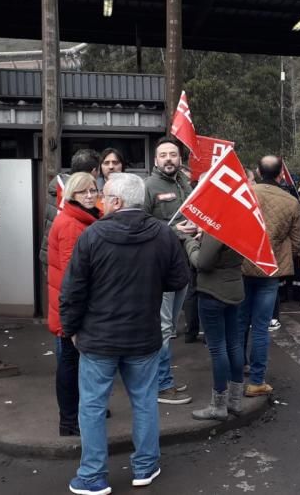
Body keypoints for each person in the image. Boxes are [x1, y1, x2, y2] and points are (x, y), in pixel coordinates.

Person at [60, 173, 190, 495]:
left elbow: (72, 290)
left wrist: (71, 329)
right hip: (144, 337)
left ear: (116, 201)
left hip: (98, 338)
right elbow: (179, 279)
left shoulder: (93, 236)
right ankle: (145, 467)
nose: (100, 202)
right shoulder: (163, 234)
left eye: (104, 196)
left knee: (90, 406)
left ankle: (92, 476)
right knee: (145, 401)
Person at [240, 156, 300, 397]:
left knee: (239, 324)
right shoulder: (291, 202)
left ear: (257, 171)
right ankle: (257, 381)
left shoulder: (245, 194)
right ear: (280, 175)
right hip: (270, 269)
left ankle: (236, 377)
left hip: (242, 266)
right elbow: (298, 242)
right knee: (260, 327)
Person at [47, 172, 102, 437]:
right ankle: (69, 421)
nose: (90, 195)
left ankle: (76, 415)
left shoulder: (82, 218)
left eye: (93, 190)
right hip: (72, 309)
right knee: (70, 363)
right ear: (72, 195)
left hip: (70, 306)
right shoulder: (72, 224)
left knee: (74, 363)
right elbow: (74, 275)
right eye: (84, 192)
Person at [143, 136, 196, 405]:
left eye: (173, 154)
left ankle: (162, 378)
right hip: (159, 268)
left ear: (179, 159)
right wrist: (175, 230)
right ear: (155, 160)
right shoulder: (149, 187)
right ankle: (161, 385)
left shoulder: (184, 183)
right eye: (163, 155)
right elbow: (140, 225)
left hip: (181, 267)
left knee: (170, 327)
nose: (168, 159)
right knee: (163, 328)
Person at [184, 230, 246, 421]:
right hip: (234, 288)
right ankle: (234, 401)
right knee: (234, 344)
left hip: (213, 292)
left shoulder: (218, 227)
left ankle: (218, 405)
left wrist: (190, 243)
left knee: (218, 348)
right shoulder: (241, 224)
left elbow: (202, 263)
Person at [40, 149, 101, 276]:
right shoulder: (71, 196)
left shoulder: (59, 184)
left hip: (52, 253)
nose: (89, 195)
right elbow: (72, 270)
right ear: (94, 171)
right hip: (63, 258)